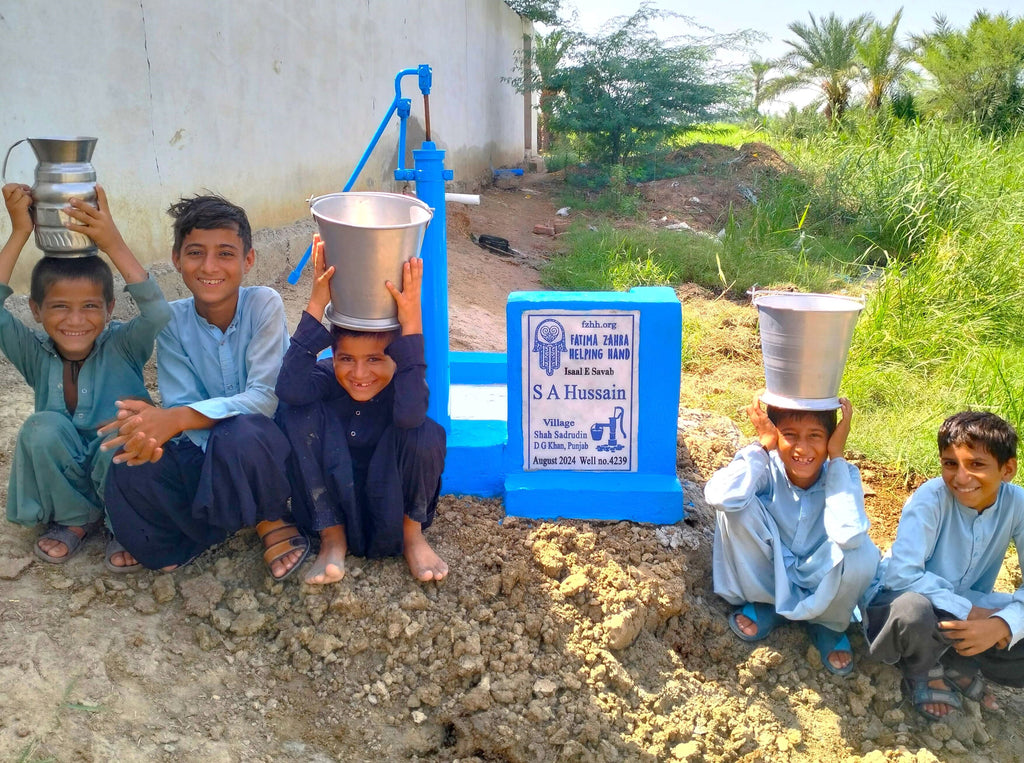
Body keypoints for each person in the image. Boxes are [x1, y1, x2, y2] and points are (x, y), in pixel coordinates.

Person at [99, 195, 308, 579]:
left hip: (265, 454)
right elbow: (184, 410)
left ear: (248, 261)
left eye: (225, 254)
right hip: (209, 450)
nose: (209, 266)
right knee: (132, 464)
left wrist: (175, 418)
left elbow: (264, 399)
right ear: (177, 259)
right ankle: (195, 537)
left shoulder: (264, 304)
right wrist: (153, 428)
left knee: (240, 432)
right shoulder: (174, 321)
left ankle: (270, 517)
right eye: (195, 252)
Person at [1, 183, 171, 569]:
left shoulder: (124, 344)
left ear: (110, 309)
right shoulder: (33, 352)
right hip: (66, 476)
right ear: (36, 310)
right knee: (41, 427)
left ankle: (120, 523)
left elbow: (158, 313)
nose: (75, 320)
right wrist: (19, 233)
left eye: (90, 307)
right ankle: (75, 520)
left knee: (126, 428)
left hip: (120, 470)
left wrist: (112, 243)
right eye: (59, 307)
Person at [275, 235, 447, 585]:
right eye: (345, 359)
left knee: (426, 432)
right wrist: (316, 305)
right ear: (332, 356)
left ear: (396, 359)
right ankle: (332, 539)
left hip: (389, 505)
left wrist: (411, 326)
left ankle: (412, 536)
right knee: (295, 412)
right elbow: (289, 390)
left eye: (375, 359)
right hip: (333, 502)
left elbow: (412, 416)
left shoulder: (403, 384)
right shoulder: (326, 378)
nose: (359, 374)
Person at [705, 393, 880, 675]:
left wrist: (836, 458)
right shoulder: (767, 467)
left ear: (832, 437)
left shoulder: (843, 474)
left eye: (815, 436)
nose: (802, 448)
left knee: (862, 552)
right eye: (790, 435)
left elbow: (848, 535)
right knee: (736, 510)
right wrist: (763, 446)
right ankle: (767, 605)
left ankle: (828, 623)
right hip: (771, 569)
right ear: (776, 434)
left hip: (819, 572)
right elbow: (720, 497)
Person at [865, 411, 1024, 721]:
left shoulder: (1018, 504)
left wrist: (1002, 624)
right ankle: (923, 668)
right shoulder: (931, 498)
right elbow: (902, 574)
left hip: (963, 607)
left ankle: (958, 663)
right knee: (913, 611)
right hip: (902, 599)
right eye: (950, 464)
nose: (961, 478)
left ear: (1008, 469)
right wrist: (969, 611)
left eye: (976, 465)